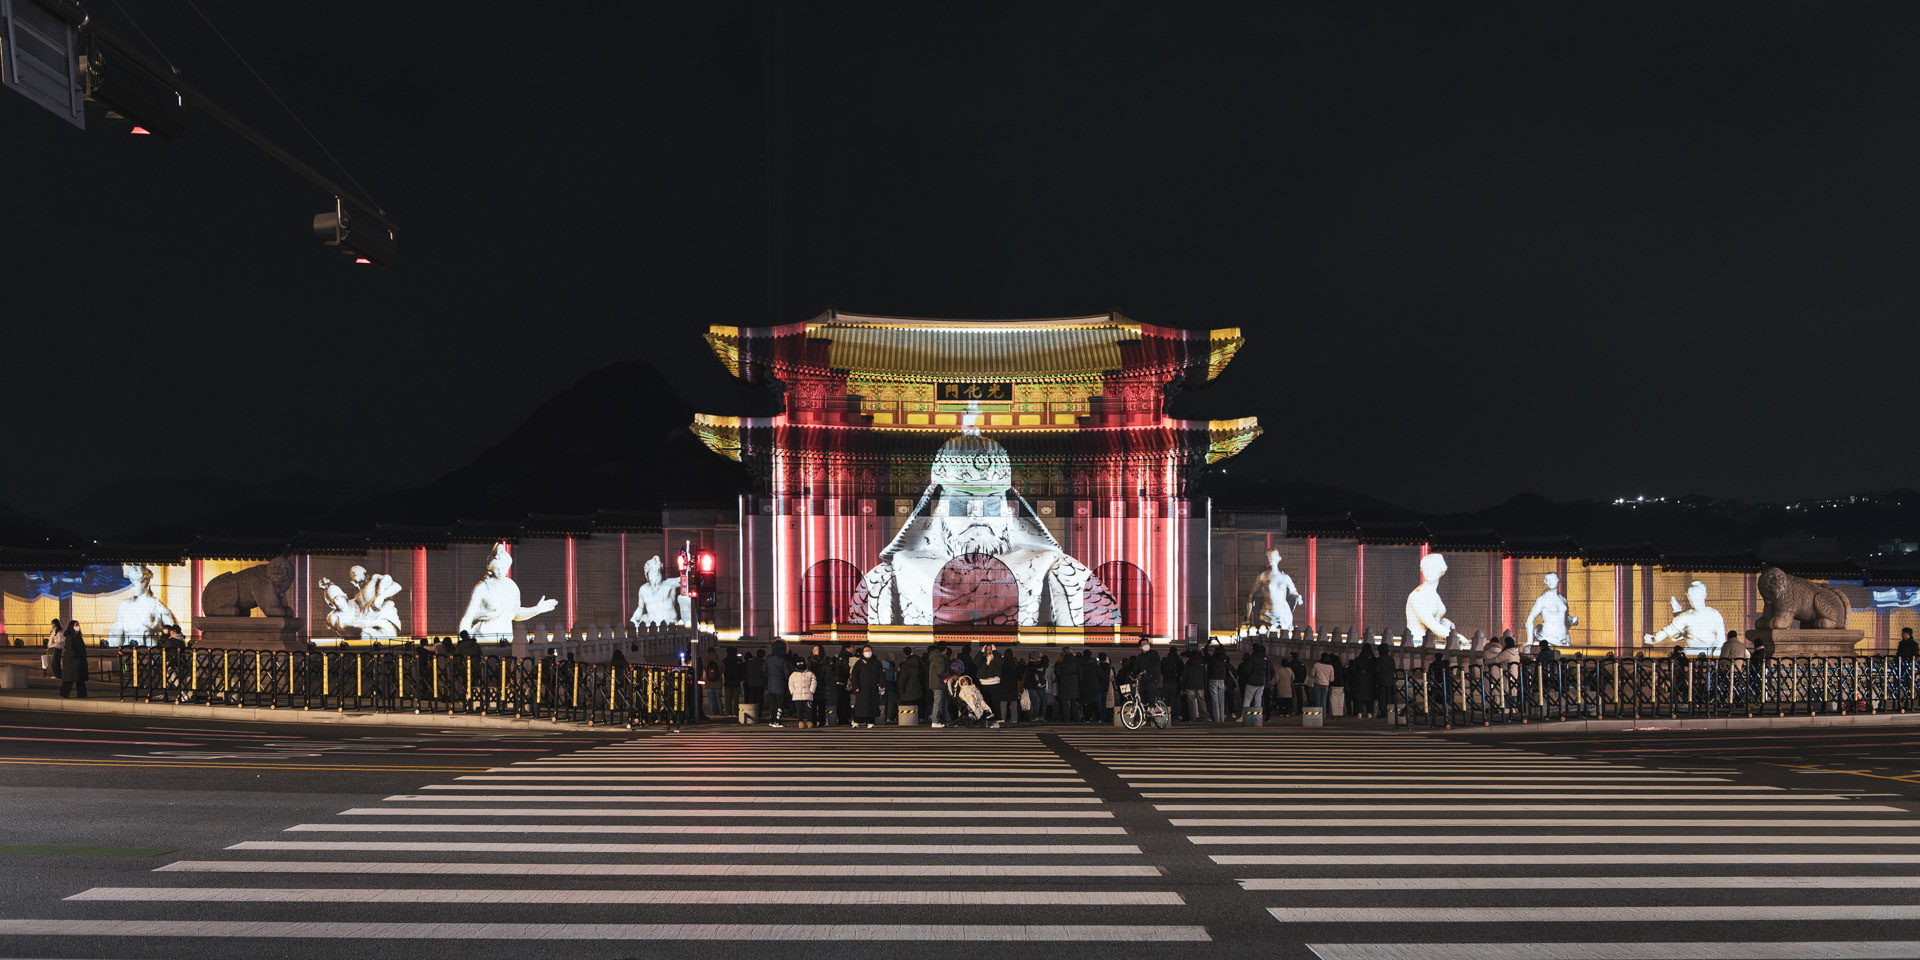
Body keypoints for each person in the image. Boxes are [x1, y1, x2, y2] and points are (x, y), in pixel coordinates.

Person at [848, 644, 883, 728]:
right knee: (860, 706)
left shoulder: (877, 663)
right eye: (866, 651)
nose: (868, 652)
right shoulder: (859, 663)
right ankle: (857, 721)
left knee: (872, 706)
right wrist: (855, 687)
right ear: (862, 653)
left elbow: (881, 676)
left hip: (873, 689)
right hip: (861, 689)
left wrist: (882, 687)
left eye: (869, 651)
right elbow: (854, 676)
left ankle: (870, 722)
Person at [1238, 643, 1272, 721]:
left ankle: (1243, 717)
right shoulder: (1265, 658)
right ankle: (1258, 717)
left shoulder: (1252, 658)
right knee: (1258, 699)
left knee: (1247, 699)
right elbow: (1268, 671)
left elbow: (1247, 670)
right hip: (1262, 682)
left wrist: (1246, 679)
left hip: (1252, 682)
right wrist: (1266, 680)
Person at [763, 641, 793, 727]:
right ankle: (777, 720)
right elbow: (787, 673)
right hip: (780, 684)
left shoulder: (768, 659)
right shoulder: (783, 660)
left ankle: (771, 720)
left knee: (772, 704)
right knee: (780, 704)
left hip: (770, 684)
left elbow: (764, 670)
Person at [1131, 640, 1163, 719]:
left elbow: (1156, 665)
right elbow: (1136, 668)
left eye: (1146, 643)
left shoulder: (1154, 654)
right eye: (1143, 644)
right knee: (1142, 694)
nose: (1145, 645)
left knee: (1151, 690)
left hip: (1153, 677)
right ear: (1140, 647)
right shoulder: (1139, 657)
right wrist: (1133, 675)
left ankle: (1152, 707)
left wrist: (1149, 672)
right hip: (1144, 679)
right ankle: (1144, 714)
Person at [927, 642, 953, 728]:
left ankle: (947, 720)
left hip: (936, 683)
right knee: (938, 703)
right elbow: (941, 672)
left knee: (942, 703)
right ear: (944, 650)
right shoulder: (939, 659)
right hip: (938, 683)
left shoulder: (935, 657)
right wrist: (948, 674)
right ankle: (935, 721)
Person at [788, 653, 818, 728]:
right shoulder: (793, 674)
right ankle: (800, 721)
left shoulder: (810, 673)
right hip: (797, 695)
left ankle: (809, 721)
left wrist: (811, 691)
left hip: (808, 695)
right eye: (798, 662)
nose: (800, 664)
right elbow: (790, 683)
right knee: (799, 710)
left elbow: (814, 681)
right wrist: (792, 692)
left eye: (801, 662)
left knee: (809, 710)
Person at [59, 621, 87, 699]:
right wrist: (75, 655)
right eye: (75, 625)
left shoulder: (78, 636)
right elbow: (70, 648)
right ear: (71, 626)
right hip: (72, 661)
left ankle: (82, 694)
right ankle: (64, 694)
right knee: (69, 679)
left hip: (78, 661)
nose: (77, 626)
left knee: (79, 679)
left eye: (78, 625)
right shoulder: (70, 636)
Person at [898, 646, 926, 724]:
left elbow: (903, 678)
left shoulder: (905, 664)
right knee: (918, 704)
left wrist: (900, 688)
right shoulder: (919, 661)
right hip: (918, 688)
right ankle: (920, 718)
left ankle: (909, 720)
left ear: (904, 653)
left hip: (907, 689)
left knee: (907, 705)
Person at [1181, 647, 1209, 722]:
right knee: (1202, 700)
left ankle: (1193, 718)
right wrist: (1205, 685)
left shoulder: (1188, 663)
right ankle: (1205, 716)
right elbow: (1204, 675)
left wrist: (1183, 687)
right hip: (1200, 685)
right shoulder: (1202, 663)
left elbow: (1185, 675)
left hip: (1189, 684)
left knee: (1191, 702)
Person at [1055, 648, 1082, 723]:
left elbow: (1057, 673)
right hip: (1074, 685)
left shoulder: (1060, 661)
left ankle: (1066, 719)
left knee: (1064, 702)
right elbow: (1080, 674)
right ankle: (1076, 718)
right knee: (1074, 702)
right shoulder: (1076, 661)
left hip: (1063, 684)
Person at [1207, 646, 1231, 723]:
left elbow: (1205, 653)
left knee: (1215, 700)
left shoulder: (1212, 659)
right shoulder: (1223, 660)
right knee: (1221, 700)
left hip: (1213, 679)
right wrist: (1219, 643)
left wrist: (1208, 643)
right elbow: (1224, 651)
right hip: (1221, 680)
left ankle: (1217, 719)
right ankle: (1222, 719)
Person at [1026, 653, 1050, 722]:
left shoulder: (1029, 665)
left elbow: (1027, 677)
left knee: (1035, 702)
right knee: (1044, 700)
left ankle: (1035, 716)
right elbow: (1046, 662)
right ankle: (1042, 715)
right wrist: (1043, 656)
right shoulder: (1041, 665)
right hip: (1041, 685)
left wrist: (1025, 686)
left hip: (1031, 686)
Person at [742, 650, 765, 722]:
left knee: (752, 698)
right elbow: (764, 673)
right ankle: (759, 713)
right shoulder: (763, 663)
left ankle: (751, 713)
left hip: (751, 683)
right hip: (760, 683)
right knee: (759, 699)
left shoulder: (750, 662)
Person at [700, 652, 723, 719]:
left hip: (709, 683)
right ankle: (721, 712)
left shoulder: (705, 662)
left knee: (710, 699)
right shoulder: (719, 661)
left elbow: (704, 670)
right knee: (719, 699)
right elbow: (723, 670)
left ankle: (712, 713)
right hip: (718, 683)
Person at [722, 649, 743, 714]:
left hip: (728, 681)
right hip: (736, 682)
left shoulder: (725, 661)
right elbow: (741, 671)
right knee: (736, 698)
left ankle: (728, 711)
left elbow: (723, 670)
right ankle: (736, 711)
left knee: (728, 698)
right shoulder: (738, 661)